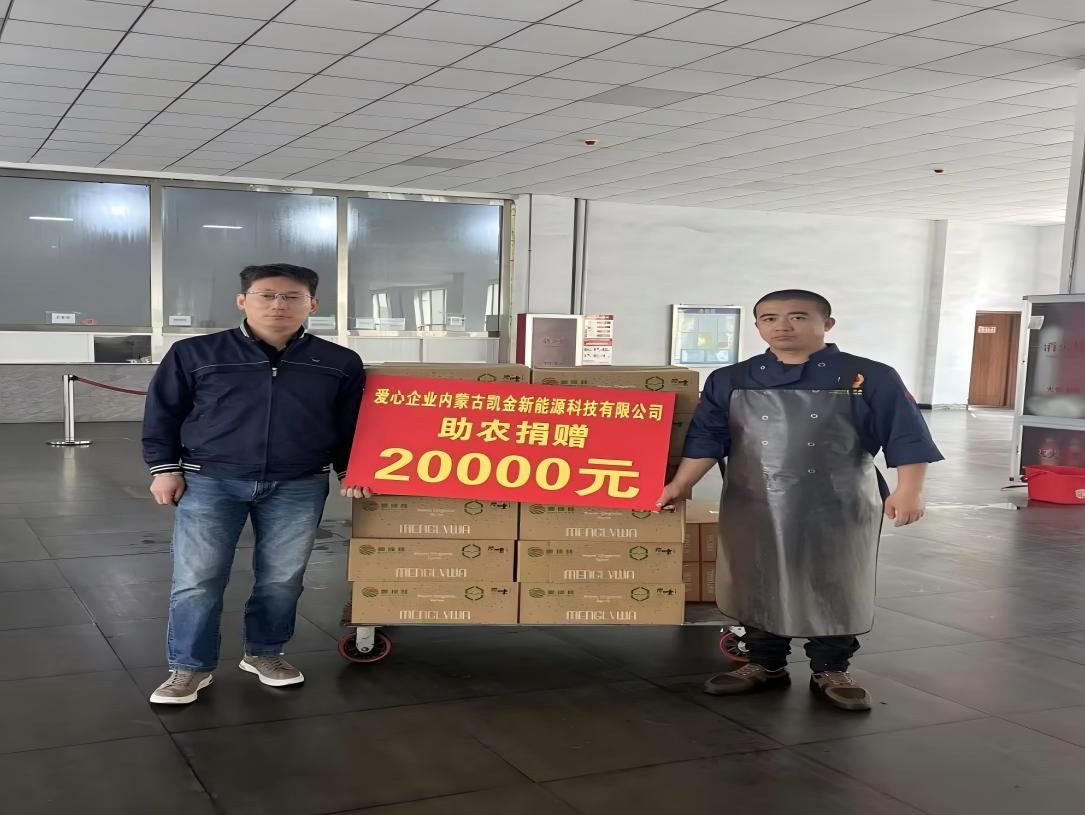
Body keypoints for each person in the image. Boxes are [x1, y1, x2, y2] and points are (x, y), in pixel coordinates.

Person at [658, 290, 942, 712]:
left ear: (827, 324)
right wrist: (681, 484)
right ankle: (763, 663)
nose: (782, 326)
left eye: (797, 316)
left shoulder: (868, 376)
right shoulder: (731, 379)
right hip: (753, 499)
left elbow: (906, 432)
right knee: (756, 576)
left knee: (835, 579)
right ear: (758, 326)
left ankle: (831, 668)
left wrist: (909, 488)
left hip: (839, 499)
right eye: (769, 318)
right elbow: (707, 438)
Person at [142, 263, 365, 705]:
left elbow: (350, 425)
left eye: (292, 296)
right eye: (267, 295)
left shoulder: (338, 362)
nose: (278, 304)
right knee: (197, 579)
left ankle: (265, 652)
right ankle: (189, 667)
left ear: (312, 304)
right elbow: (163, 412)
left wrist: (351, 471)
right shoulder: (196, 353)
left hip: (298, 483)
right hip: (211, 481)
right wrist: (164, 468)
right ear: (242, 300)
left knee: (283, 578)